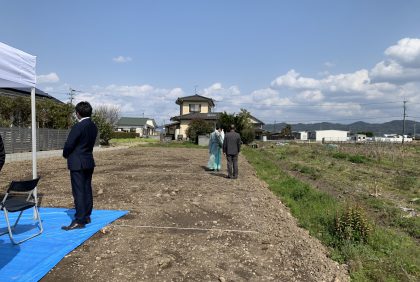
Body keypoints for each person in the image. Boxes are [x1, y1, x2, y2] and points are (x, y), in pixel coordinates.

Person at [62, 101, 98, 231]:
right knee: (87, 189)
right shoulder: (93, 126)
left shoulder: (78, 126)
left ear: (78, 113)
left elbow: (69, 144)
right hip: (88, 160)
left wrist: (65, 154)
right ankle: (87, 216)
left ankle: (79, 220)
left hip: (77, 162)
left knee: (79, 191)